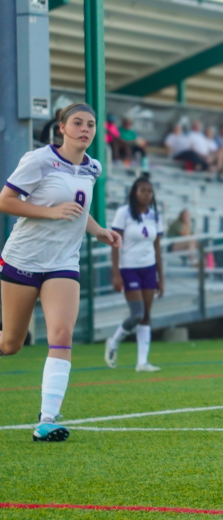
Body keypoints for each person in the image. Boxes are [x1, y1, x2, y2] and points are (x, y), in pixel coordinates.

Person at [0, 103, 121, 442]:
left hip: (63, 263)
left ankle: (47, 419)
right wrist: (49, 213)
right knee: (10, 344)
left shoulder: (93, 167)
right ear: (62, 128)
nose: (85, 129)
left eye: (91, 124)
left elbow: (79, 211)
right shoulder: (39, 160)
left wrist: (98, 230)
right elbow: (6, 201)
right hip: (22, 260)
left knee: (62, 334)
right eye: (78, 123)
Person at [104, 176, 164, 372]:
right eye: (142, 190)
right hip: (128, 269)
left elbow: (157, 248)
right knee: (137, 314)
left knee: (146, 315)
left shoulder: (155, 215)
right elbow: (115, 244)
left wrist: (160, 277)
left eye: (149, 191)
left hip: (149, 268)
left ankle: (142, 363)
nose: (146, 194)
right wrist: (115, 273)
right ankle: (113, 343)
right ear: (134, 193)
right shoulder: (124, 213)